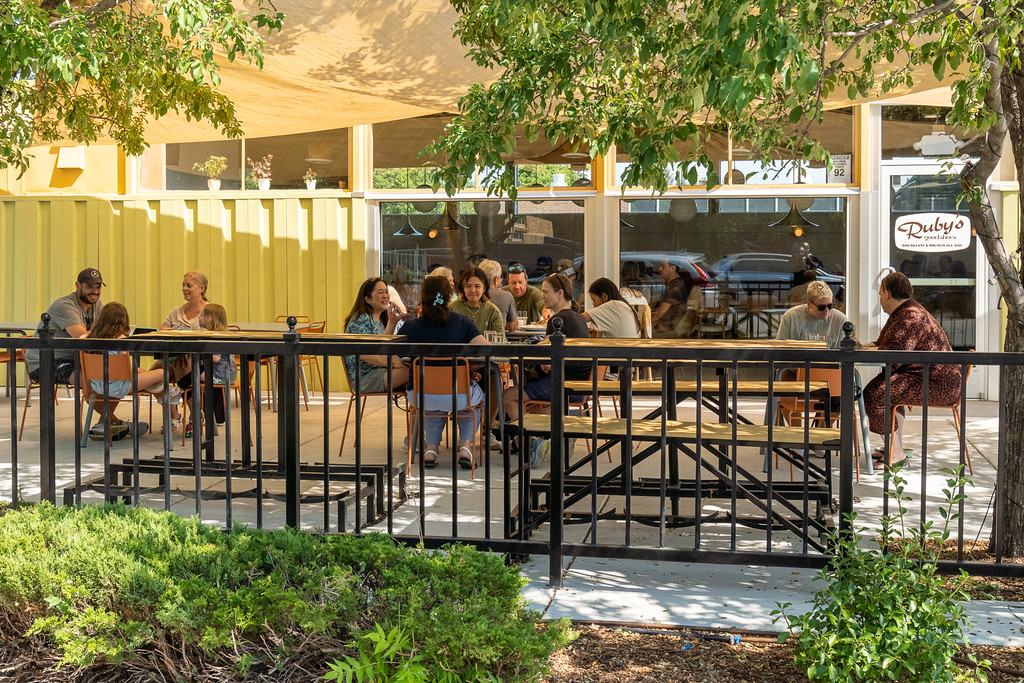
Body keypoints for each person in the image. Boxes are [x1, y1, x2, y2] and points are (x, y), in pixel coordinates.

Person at [862, 272, 961, 470]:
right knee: (886, 388)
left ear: (887, 293)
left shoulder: (910, 317)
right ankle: (893, 447)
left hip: (938, 384)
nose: (880, 298)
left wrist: (864, 350)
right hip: (932, 378)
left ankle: (896, 453)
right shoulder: (906, 311)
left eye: (880, 293)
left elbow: (893, 354)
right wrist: (861, 347)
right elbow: (884, 345)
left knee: (875, 394)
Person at [401, 275, 489, 469]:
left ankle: (431, 450)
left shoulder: (410, 327)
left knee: (434, 397)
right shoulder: (463, 323)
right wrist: (468, 368)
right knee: (474, 399)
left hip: (419, 396)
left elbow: (392, 358)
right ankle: (465, 446)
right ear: (450, 298)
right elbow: (486, 352)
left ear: (422, 297)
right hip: (459, 395)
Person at [502, 273, 591, 422]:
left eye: (545, 291)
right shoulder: (577, 317)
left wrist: (544, 364)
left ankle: (526, 441)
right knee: (533, 406)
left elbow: (547, 362)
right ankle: (535, 440)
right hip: (584, 385)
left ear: (560, 293)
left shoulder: (557, 321)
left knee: (509, 397)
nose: (542, 296)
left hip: (563, 383)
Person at [84, 301, 169, 441]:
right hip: (119, 386)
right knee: (161, 372)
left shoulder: (90, 338)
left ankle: (103, 423)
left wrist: (139, 372)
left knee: (141, 371)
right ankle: (165, 395)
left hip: (97, 385)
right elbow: (125, 371)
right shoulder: (121, 340)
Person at [24, 267, 105, 386]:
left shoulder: (96, 304)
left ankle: (98, 402)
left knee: (110, 377)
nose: (95, 291)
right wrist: (110, 333)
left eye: (98, 287)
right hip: (44, 362)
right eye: (89, 287)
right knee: (97, 382)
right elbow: (81, 336)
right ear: (78, 285)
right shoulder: (64, 305)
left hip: (75, 360)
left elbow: (104, 328)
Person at [154, 270, 209, 429]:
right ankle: (174, 414)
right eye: (183, 285)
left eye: (189, 285)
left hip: (203, 362)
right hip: (176, 359)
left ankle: (195, 414)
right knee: (154, 374)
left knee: (182, 363)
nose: (184, 288)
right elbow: (161, 331)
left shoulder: (210, 311)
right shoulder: (176, 312)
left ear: (201, 288)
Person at [179, 303, 237, 437]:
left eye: (202, 315)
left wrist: (199, 352)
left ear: (211, 319)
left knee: (196, 372)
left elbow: (216, 358)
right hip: (222, 372)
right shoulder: (220, 334)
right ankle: (182, 391)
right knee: (197, 370)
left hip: (221, 375)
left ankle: (180, 389)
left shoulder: (217, 337)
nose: (199, 318)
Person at [343, 278, 410, 393]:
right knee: (414, 372)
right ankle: (421, 409)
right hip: (364, 378)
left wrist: (391, 324)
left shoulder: (380, 318)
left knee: (415, 368)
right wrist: (393, 362)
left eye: (386, 291)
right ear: (367, 299)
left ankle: (416, 409)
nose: (385, 296)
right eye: (380, 292)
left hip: (379, 371)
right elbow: (364, 354)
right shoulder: (360, 320)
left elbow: (381, 348)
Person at [775, 281, 851, 349]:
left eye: (830, 306)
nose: (826, 310)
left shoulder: (840, 320)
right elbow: (780, 349)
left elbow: (844, 354)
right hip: (799, 363)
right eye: (821, 307)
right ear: (809, 304)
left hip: (830, 364)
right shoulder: (791, 317)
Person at [450, 267, 506, 342]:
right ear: (463, 288)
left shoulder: (493, 311)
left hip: (486, 352)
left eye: (477, 286)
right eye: (468, 286)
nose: (473, 290)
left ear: (484, 288)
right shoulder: (452, 309)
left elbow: (500, 341)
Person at [651, 260, 689, 338]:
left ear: (673, 268)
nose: (659, 269)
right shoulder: (673, 285)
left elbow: (658, 314)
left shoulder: (675, 288)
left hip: (671, 330)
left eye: (663, 266)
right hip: (668, 326)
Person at [479, 259, 517, 331]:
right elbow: (512, 327)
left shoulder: (471, 295)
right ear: (496, 280)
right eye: (500, 278)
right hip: (498, 340)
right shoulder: (506, 296)